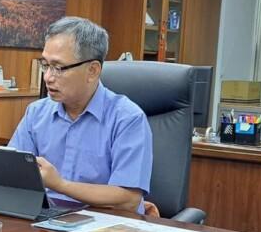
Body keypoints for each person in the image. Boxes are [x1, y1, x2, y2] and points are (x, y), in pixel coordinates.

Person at [8, 16, 153, 214]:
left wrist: (60, 185)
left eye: (58, 68)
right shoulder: (36, 112)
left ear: (92, 71)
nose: (48, 77)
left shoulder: (128, 118)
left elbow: (128, 199)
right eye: (45, 65)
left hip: (105, 229)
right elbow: (12, 174)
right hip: (45, 223)